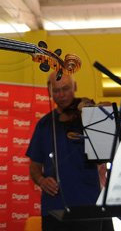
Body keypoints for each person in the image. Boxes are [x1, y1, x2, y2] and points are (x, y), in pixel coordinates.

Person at [26, 71, 111, 231]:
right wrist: (42, 180)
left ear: (75, 87)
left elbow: (104, 153)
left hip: (88, 205)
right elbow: (34, 166)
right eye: (56, 91)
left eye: (66, 88)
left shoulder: (90, 117)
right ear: (49, 92)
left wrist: (93, 114)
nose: (62, 95)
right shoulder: (44, 124)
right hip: (54, 208)